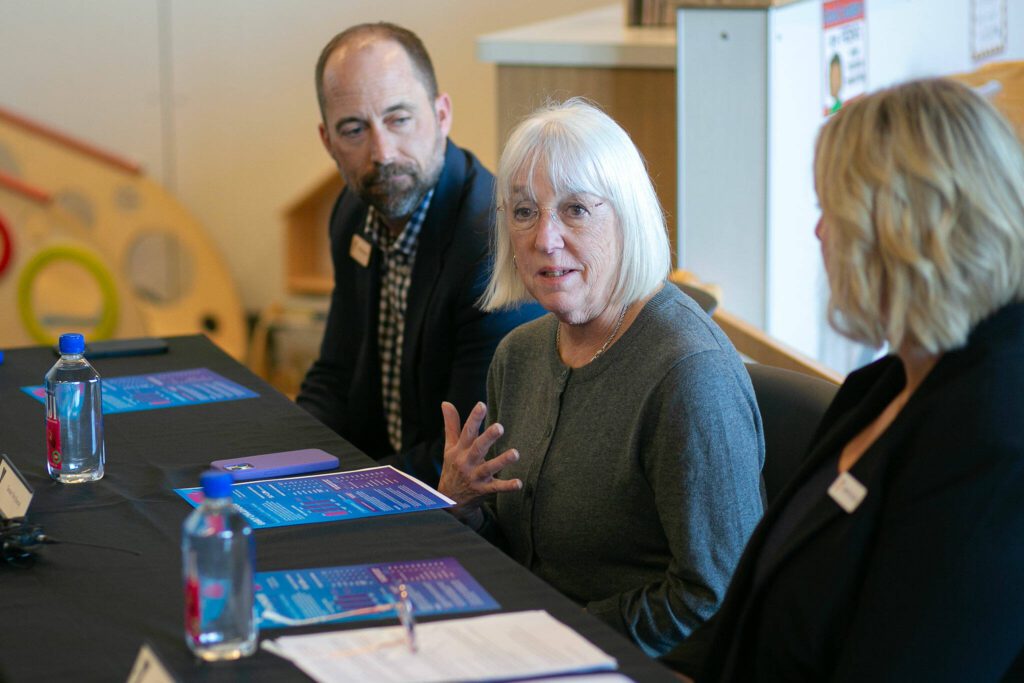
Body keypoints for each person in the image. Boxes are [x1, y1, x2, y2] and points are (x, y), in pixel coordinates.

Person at [662, 78, 1024, 680]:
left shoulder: (995, 437)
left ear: (900, 231)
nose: (820, 233)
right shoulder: (887, 383)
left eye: (830, 209)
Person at [438, 99, 765, 657]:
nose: (545, 238)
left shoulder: (689, 378)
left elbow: (715, 598)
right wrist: (460, 508)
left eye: (575, 210)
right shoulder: (518, 356)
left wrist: (557, 638)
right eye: (523, 212)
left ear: (627, 216)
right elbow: (519, 556)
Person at [296, 23, 541, 486]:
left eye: (399, 119)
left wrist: (335, 487)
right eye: (354, 129)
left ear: (442, 114)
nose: (382, 152)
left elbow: (468, 454)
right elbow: (335, 374)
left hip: (466, 507)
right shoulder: (353, 212)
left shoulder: (491, 243)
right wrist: (282, 458)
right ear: (328, 141)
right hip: (381, 472)